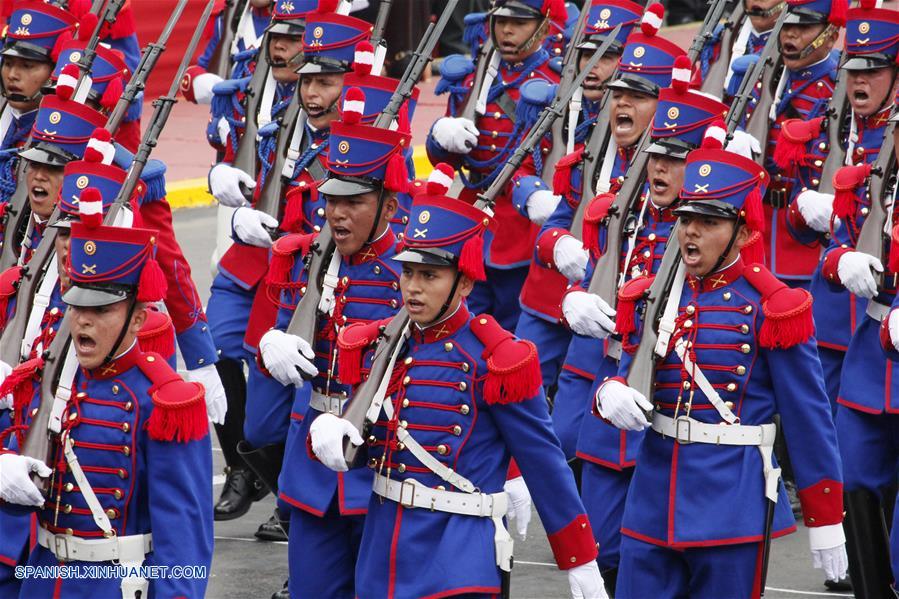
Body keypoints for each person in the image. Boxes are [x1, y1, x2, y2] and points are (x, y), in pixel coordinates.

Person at [308, 175, 607, 599]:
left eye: (429, 275)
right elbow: (371, 446)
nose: (412, 287)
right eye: (408, 272)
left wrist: (580, 559)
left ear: (463, 283)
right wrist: (325, 433)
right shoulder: (384, 344)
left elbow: (545, 461)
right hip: (383, 553)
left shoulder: (496, 358)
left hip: (457, 559)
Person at [597, 128, 847, 597]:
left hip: (729, 508)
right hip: (652, 499)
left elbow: (808, 416)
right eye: (687, 218)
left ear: (744, 231)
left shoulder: (773, 305)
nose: (690, 231)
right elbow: (620, 370)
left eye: (708, 222)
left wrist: (825, 514)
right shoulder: (653, 293)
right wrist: (607, 394)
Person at [0, 199, 213, 598]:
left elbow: (184, 537)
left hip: (114, 585)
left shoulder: (163, 402)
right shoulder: (44, 381)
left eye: (101, 310)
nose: (82, 319)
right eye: (77, 305)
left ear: (136, 317)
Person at [569, 89, 729, 594]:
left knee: (652, 561)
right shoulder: (626, 210)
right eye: (655, 156)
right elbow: (597, 274)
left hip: (669, 404)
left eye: (673, 161)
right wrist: (571, 300)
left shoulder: (714, 237)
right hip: (610, 385)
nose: (658, 169)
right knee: (598, 549)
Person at [256, 89, 408, 598]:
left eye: (354, 202)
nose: (337, 215)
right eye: (330, 200)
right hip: (312, 467)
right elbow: (283, 353)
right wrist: (269, 347)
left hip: (383, 464)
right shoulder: (307, 262)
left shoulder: (412, 273)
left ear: (388, 204)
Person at [204, 0, 320, 523]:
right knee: (216, 352)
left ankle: (290, 501)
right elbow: (229, 149)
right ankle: (242, 470)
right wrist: (220, 184)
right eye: (276, 33)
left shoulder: (347, 96)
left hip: (298, 266)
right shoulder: (251, 78)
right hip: (248, 252)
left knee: (288, 385)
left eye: (292, 36)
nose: (280, 45)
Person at [510, 0, 645, 393]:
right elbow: (520, 168)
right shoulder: (552, 104)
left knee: (583, 407)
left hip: (602, 288)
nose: (593, 66)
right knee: (521, 388)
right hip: (549, 277)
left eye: (606, 56)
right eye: (586, 53)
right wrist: (534, 198)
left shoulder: (643, 123)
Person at [426, 0, 565, 331]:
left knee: (510, 327)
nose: (506, 30)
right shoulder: (475, 77)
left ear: (543, 27)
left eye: (518, 23)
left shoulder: (555, 83)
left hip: (521, 222)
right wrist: (440, 137)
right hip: (473, 217)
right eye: (501, 21)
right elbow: (450, 161)